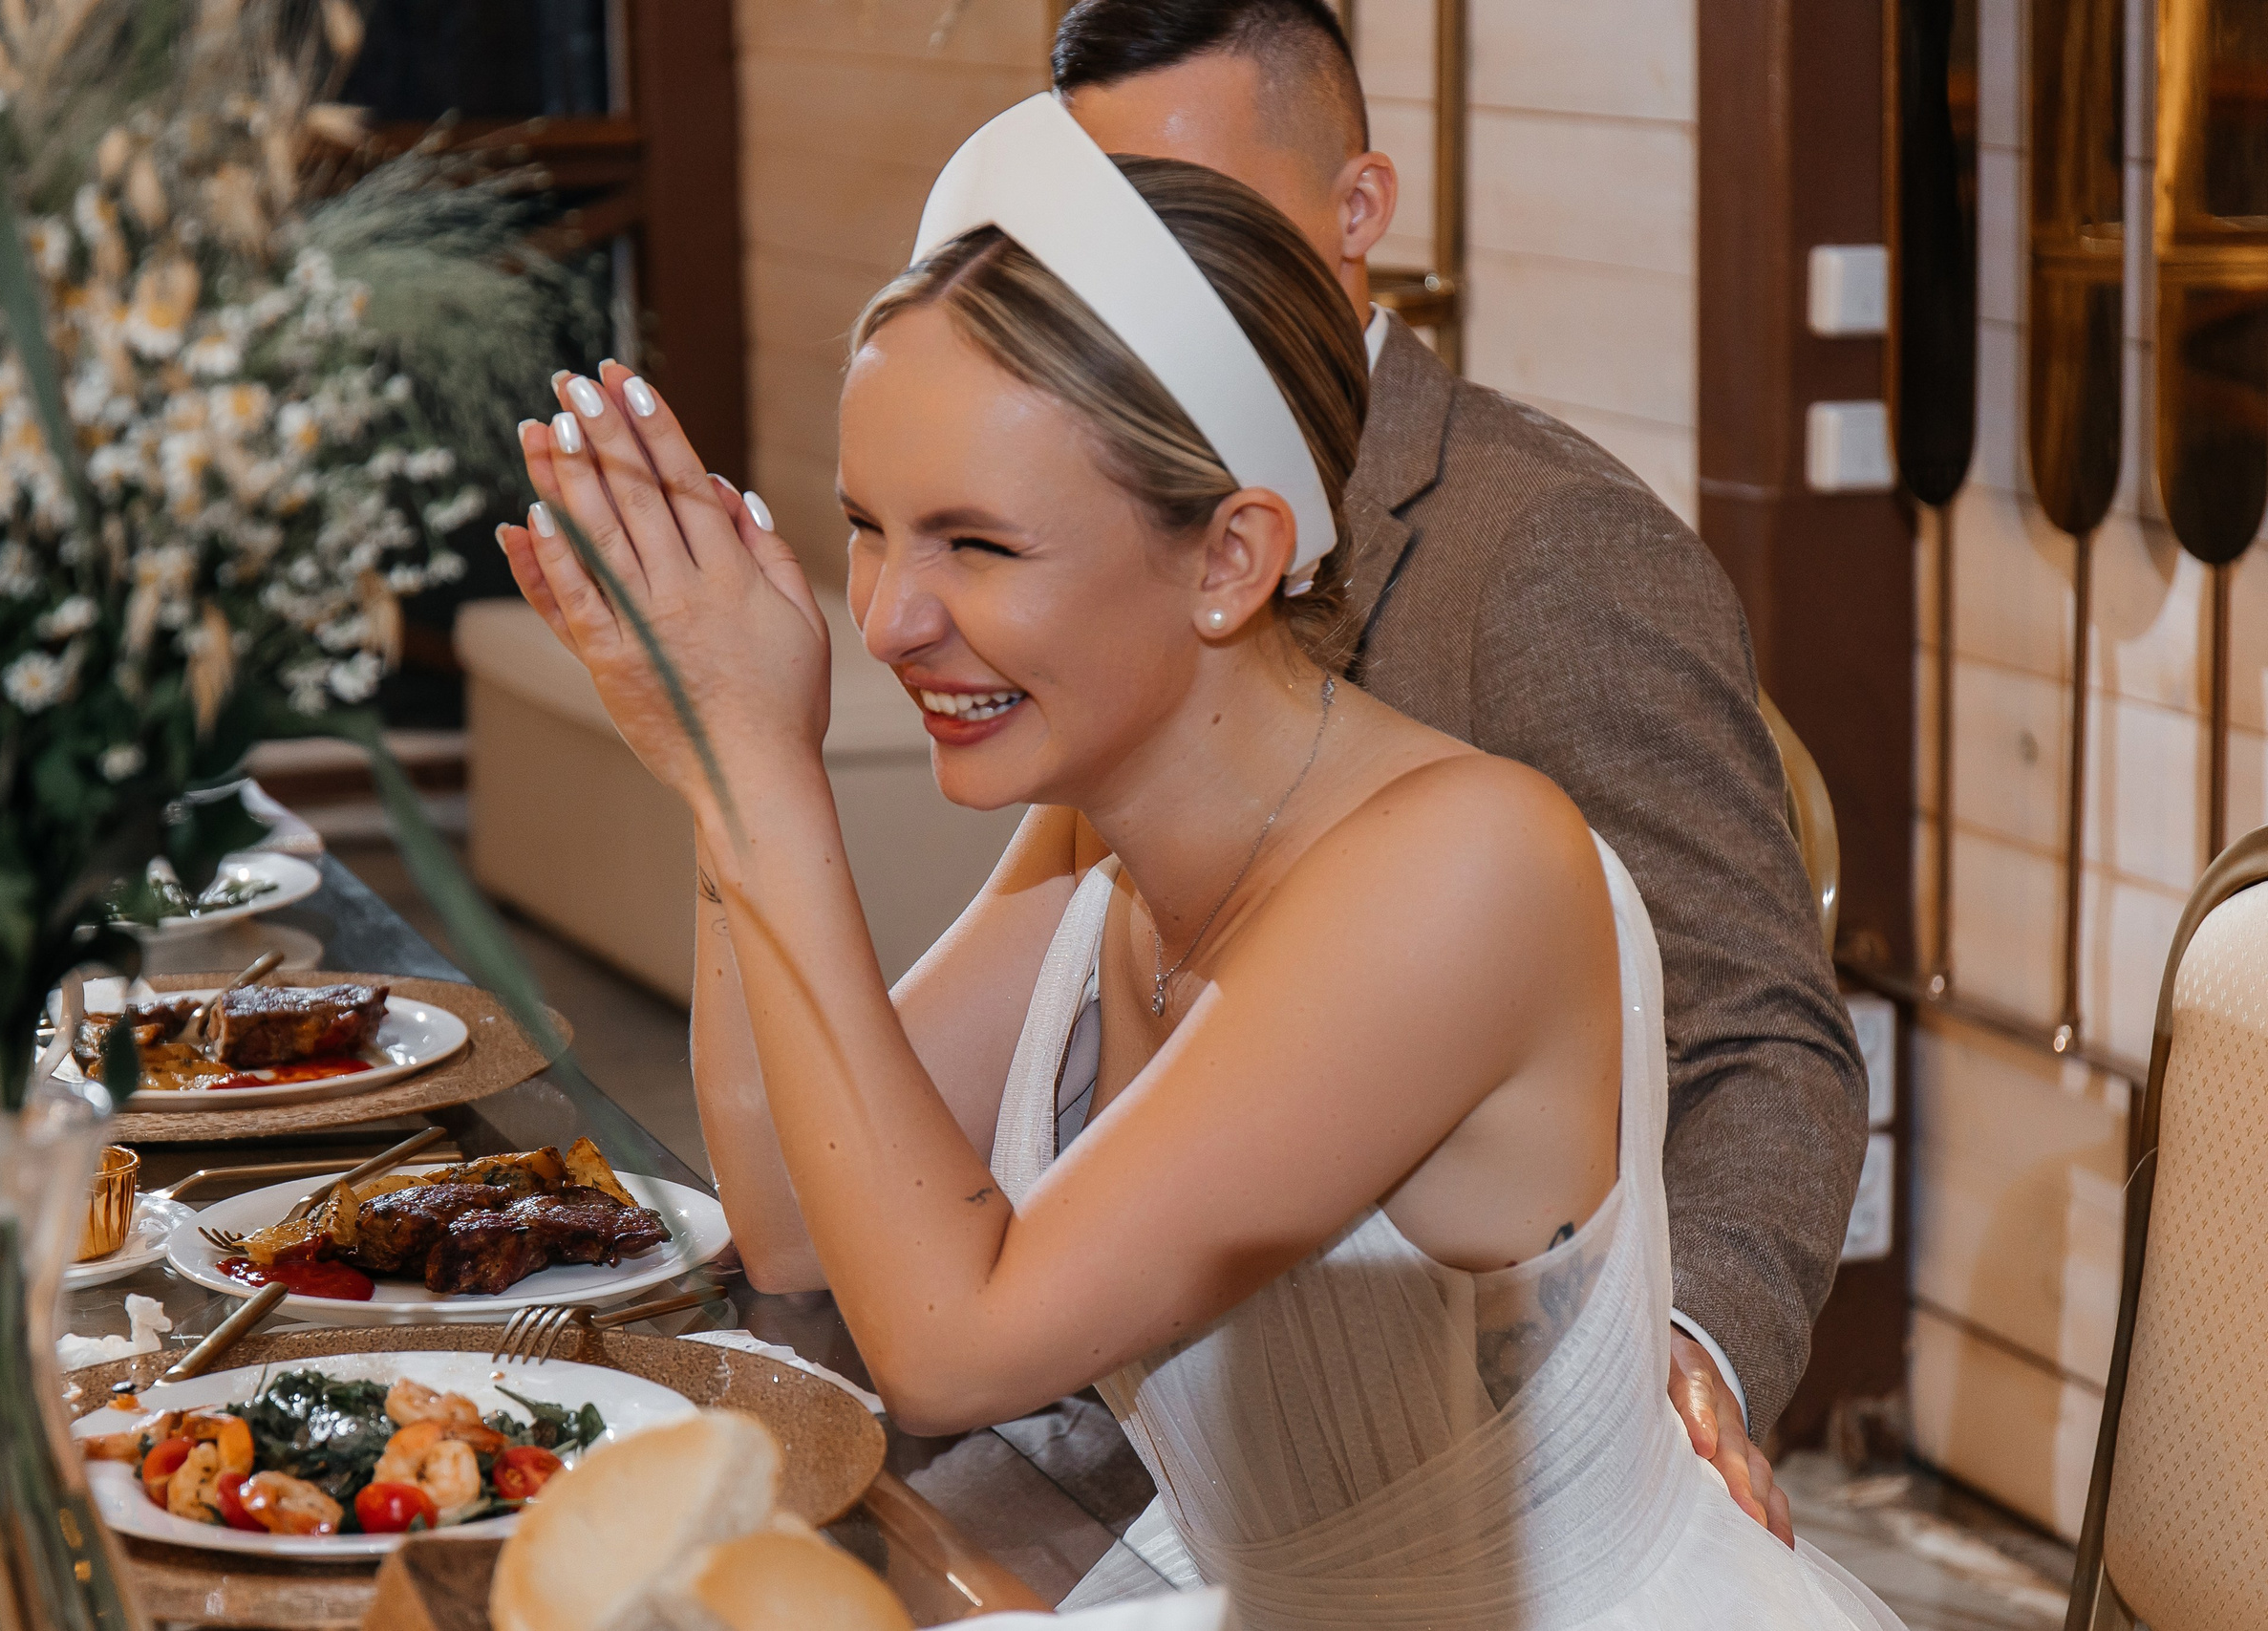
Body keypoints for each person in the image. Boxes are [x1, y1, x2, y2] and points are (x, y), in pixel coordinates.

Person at [494, 94, 1899, 1630]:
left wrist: (770, 781)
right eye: (868, 529)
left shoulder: (1459, 871)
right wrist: (717, 773)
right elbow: (788, 1219)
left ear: (1229, 558)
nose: (889, 615)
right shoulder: (1096, 830)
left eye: (977, 544)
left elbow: (954, 1345)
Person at [1044, 0, 1871, 1534]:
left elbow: (1763, 1044)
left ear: (1360, 208)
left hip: (1436, 1458)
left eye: (1198, 222)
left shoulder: (1547, 552)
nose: (1143, 289)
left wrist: (1680, 1365)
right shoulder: (1108, 506)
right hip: (1134, 1384)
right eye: (1102, 234)